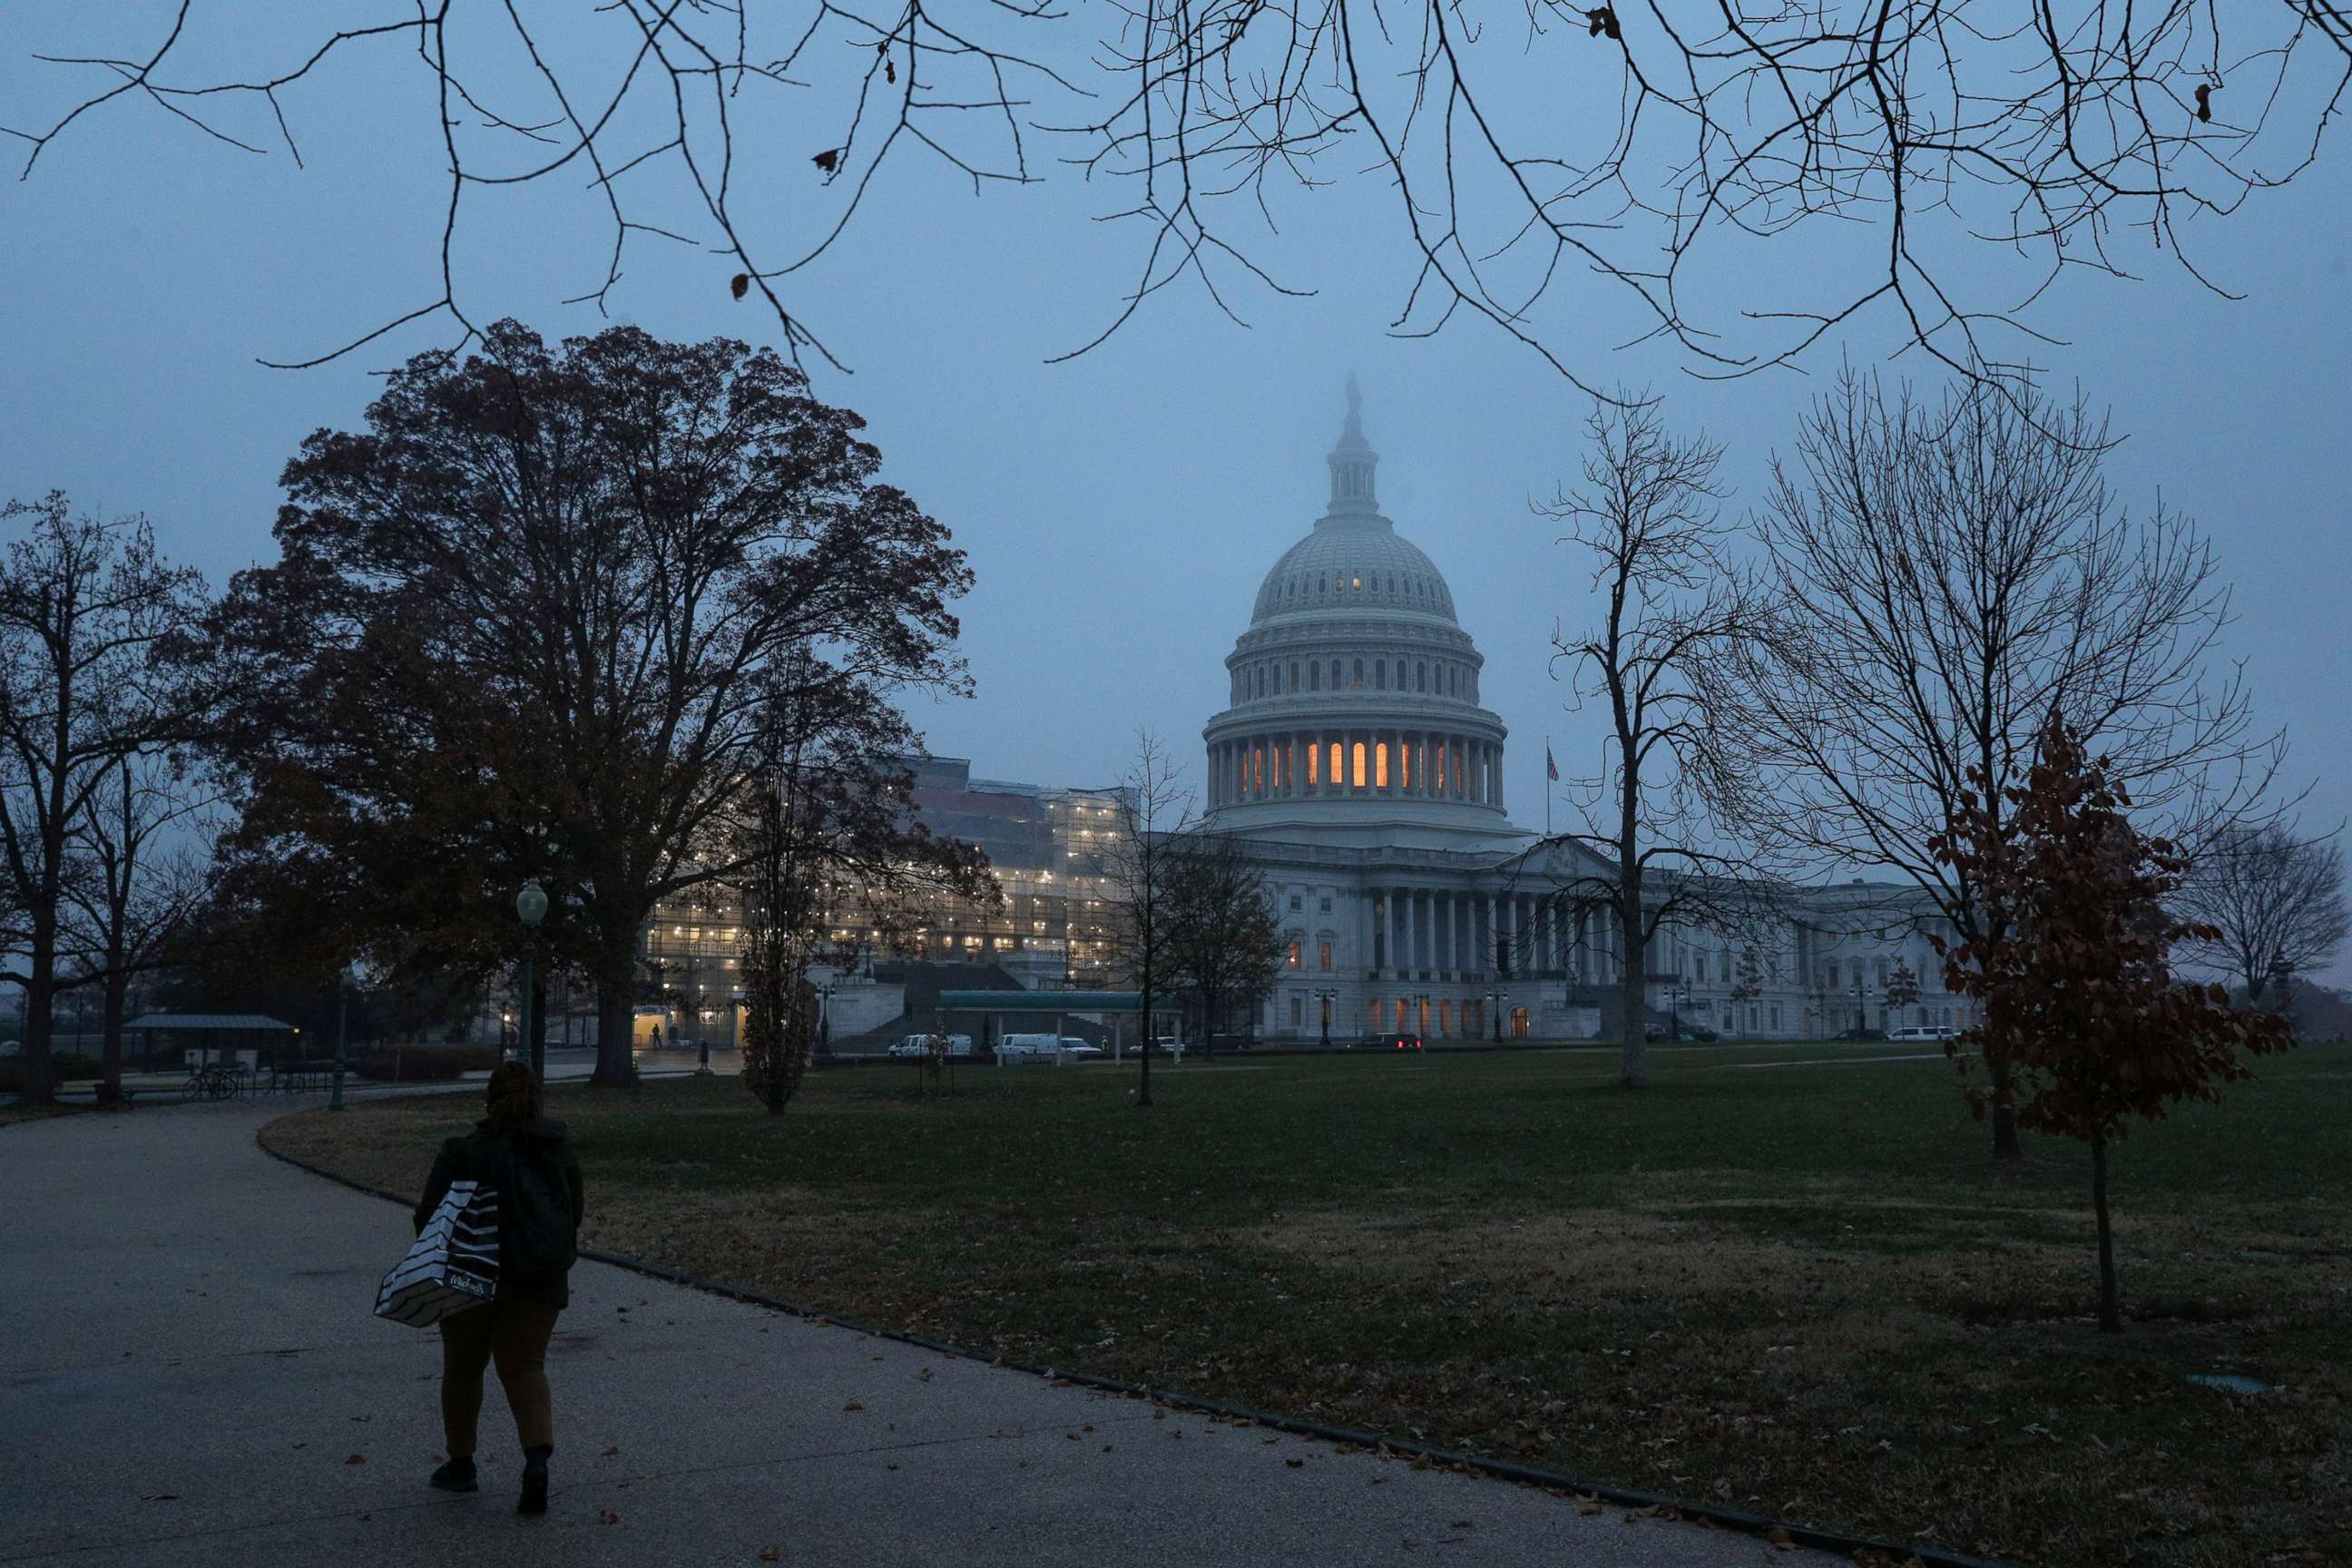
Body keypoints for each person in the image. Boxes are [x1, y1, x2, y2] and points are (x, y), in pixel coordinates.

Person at [411, 1062, 585, 1514]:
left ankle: (461, 1463)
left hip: (468, 1275)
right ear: (538, 1099)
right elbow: (573, 1212)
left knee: (462, 1370)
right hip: (538, 1276)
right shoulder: (558, 1150)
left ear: (488, 1101)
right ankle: (536, 1461)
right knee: (525, 1366)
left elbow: (428, 1217)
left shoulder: (462, 1151)